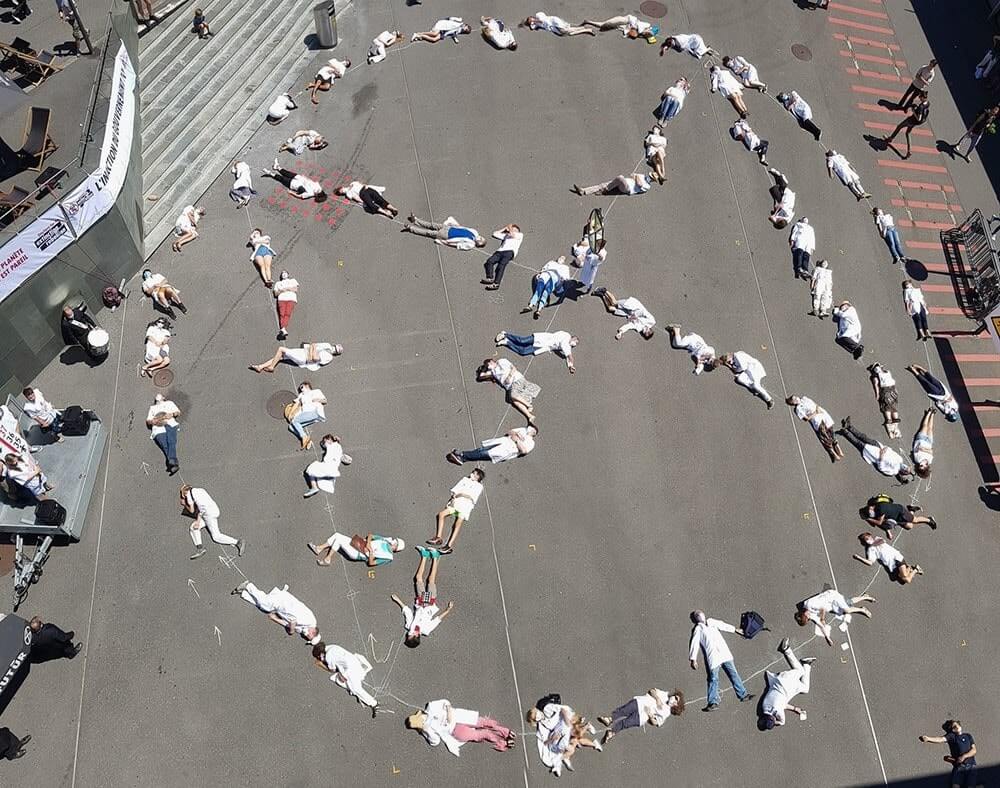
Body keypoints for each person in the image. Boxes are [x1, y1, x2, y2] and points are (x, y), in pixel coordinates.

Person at [688, 611, 754, 711]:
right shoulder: (698, 629)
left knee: (733, 674)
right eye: (697, 615)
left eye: (700, 614)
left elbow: (722, 625)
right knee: (713, 679)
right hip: (713, 656)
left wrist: (735, 629)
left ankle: (743, 695)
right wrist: (693, 659)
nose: (699, 616)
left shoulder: (711, 622)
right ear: (695, 619)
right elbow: (695, 643)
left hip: (724, 653)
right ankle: (713, 702)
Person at [391, 548, 455, 648]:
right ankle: (434, 558)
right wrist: (448, 610)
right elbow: (437, 619)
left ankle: (424, 556)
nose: (408, 634)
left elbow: (407, 612)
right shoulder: (426, 630)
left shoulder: (409, 626)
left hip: (421, 602)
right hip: (429, 603)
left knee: (418, 579)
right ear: (416, 636)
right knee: (431, 580)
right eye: (409, 636)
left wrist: (398, 600)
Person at [406, 699, 517, 755]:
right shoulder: (427, 729)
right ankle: (503, 743)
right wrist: (425, 729)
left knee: (485, 722)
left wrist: (449, 709)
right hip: (456, 731)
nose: (422, 720)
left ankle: (506, 732)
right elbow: (435, 742)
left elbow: (445, 701)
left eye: (420, 718)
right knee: (483, 733)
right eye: (420, 722)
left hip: (459, 716)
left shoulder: (431, 707)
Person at [232, 580, 321, 644]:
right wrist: (291, 631)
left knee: (263, 607)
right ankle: (248, 586)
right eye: (309, 637)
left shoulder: (304, 629)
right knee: (264, 604)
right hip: (284, 602)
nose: (306, 637)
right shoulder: (309, 620)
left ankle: (244, 594)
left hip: (281, 609)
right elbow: (293, 621)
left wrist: (275, 619)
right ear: (313, 633)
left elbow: (286, 624)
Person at [758, 639, 817, 730]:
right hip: (781, 684)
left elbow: (782, 722)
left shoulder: (778, 712)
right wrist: (795, 708)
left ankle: (786, 649)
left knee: (801, 671)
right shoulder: (764, 707)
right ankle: (807, 664)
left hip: (786, 684)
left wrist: (777, 723)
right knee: (805, 689)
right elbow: (782, 705)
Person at [837, 416, 914, 482]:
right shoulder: (900, 460)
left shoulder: (893, 472)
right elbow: (892, 452)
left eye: (906, 470)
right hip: (879, 447)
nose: (906, 467)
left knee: (859, 443)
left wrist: (881, 456)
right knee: (863, 437)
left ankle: (845, 432)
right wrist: (886, 448)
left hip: (875, 455)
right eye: (908, 467)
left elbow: (881, 468)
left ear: (903, 473)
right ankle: (849, 426)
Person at [180, 484, 245, 560]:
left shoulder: (189, 495)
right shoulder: (200, 490)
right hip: (214, 509)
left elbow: (192, 510)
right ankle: (200, 548)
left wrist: (185, 505)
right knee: (193, 528)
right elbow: (202, 504)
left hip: (208, 515)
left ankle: (238, 542)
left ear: (185, 492)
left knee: (216, 536)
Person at [428, 469, 485, 554]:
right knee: (441, 515)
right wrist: (452, 498)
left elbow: (473, 497)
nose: (472, 474)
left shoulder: (479, 486)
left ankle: (449, 546)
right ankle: (438, 537)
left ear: (478, 477)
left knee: (457, 524)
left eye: (474, 473)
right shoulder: (465, 479)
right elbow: (456, 489)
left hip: (466, 505)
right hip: (456, 503)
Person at [597, 689, 684, 744]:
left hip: (643, 716)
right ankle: (609, 719)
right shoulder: (665, 694)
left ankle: (612, 732)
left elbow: (656, 723)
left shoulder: (666, 712)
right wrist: (657, 699)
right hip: (640, 703)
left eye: (676, 702)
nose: (674, 700)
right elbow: (652, 691)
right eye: (675, 697)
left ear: (676, 707)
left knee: (626, 723)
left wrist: (650, 715)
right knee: (623, 710)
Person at [312, 642, 377, 716]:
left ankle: (373, 703)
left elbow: (332, 670)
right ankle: (354, 690)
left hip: (350, 671)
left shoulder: (328, 657)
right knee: (338, 679)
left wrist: (320, 664)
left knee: (356, 689)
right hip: (354, 661)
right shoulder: (331, 647)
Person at [794, 588, 876, 646]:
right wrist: (827, 637)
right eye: (808, 619)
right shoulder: (809, 614)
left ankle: (864, 603)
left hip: (832, 597)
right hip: (830, 604)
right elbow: (820, 624)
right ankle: (863, 602)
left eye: (807, 617)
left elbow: (822, 608)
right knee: (848, 604)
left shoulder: (809, 604)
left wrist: (822, 618)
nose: (809, 617)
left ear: (803, 612)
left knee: (847, 610)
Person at [476, 357, 540, 426]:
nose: (489, 368)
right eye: (488, 368)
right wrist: (482, 369)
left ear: (491, 361)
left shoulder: (501, 361)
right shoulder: (493, 372)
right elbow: (481, 376)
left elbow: (513, 368)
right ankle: (530, 416)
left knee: (513, 395)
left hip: (516, 379)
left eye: (488, 366)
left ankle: (529, 405)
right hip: (510, 387)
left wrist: (509, 377)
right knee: (515, 402)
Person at [919, 719, 977, 788]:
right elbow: (940, 739)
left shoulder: (968, 736)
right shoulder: (952, 736)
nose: (956, 727)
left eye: (956, 725)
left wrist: (964, 756)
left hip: (971, 766)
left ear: (960, 725)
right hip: (959, 766)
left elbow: (974, 750)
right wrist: (928, 739)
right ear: (952, 730)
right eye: (953, 727)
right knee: (955, 785)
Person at [786, 395, 843, 462]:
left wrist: (818, 408)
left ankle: (837, 447)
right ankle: (833, 453)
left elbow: (814, 403)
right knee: (825, 436)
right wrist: (816, 412)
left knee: (831, 430)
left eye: (795, 397)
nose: (796, 398)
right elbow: (806, 419)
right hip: (816, 420)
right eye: (794, 399)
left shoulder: (804, 398)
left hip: (822, 414)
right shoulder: (798, 409)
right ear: (793, 403)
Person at [853, 532, 923, 584]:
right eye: (866, 540)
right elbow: (870, 562)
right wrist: (859, 558)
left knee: (906, 578)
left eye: (869, 537)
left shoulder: (877, 539)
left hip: (897, 557)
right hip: (891, 565)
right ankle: (912, 569)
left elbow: (882, 541)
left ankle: (914, 569)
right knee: (904, 581)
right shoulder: (870, 550)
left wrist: (872, 545)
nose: (869, 539)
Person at [447, 426, 537, 465]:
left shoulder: (531, 443)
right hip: (503, 442)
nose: (529, 428)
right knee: (481, 450)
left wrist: (517, 440)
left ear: (534, 432)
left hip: (508, 450)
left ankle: (462, 456)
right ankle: (462, 457)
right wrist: (515, 435)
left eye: (531, 429)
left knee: (485, 454)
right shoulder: (523, 430)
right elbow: (510, 431)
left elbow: (524, 451)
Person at [495, 330, 577, 372]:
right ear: (573, 337)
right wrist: (570, 356)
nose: (574, 344)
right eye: (575, 341)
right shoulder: (566, 336)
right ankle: (505, 334)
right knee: (522, 341)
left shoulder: (568, 346)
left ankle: (507, 342)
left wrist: (570, 366)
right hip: (542, 338)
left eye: (575, 344)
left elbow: (567, 356)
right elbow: (565, 347)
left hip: (543, 347)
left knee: (523, 352)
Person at [862, 492, 936, 536]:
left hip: (901, 512)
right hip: (896, 518)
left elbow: (879, 522)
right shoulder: (877, 508)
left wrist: (868, 519)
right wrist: (888, 531)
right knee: (909, 527)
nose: (872, 515)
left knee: (915, 520)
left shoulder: (881, 509)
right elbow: (883, 523)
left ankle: (929, 520)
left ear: (871, 507)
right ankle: (912, 510)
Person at [309, 532, 404, 567]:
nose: (393, 541)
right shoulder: (385, 541)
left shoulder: (388, 557)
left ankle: (327, 558)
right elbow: (371, 535)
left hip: (358, 554)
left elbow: (371, 563)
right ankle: (320, 550)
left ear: (396, 547)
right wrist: (369, 543)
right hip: (360, 545)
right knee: (337, 535)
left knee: (338, 539)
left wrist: (370, 552)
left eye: (396, 542)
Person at [249, 342, 343, 373]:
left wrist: (312, 348)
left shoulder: (328, 357)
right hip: (302, 353)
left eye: (335, 350)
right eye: (334, 347)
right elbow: (313, 346)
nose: (333, 349)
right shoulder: (326, 345)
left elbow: (314, 358)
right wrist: (312, 348)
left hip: (303, 358)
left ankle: (271, 367)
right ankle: (260, 367)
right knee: (280, 357)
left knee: (281, 349)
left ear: (335, 353)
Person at [402, 215, 486, 249]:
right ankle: (416, 221)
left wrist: (444, 242)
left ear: (479, 244)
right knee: (431, 225)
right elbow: (463, 228)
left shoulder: (471, 244)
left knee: (429, 233)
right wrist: (454, 224)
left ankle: (411, 229)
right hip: (449, 228)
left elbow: (457, 245)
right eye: (481, 238)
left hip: (447, 235)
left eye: (480, 241)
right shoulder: (475, 233)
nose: (480, 239)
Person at [481, 224, 524, 290]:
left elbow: (512, 234)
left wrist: (509, 227)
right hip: (500, 251)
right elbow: (495, 234)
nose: (511, 230)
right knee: (490, 261)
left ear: (517, 230)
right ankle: (490, 278)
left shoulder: (519, 235)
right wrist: (504, 229)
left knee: (501, 266)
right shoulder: (506, 236)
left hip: (509, 252)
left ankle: (496, 284)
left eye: (514, 229)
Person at [287, 381, 326, 450]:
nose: (301, 389)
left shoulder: (316, 391)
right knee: (291, 427)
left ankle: (304, 437)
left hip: (314, 411)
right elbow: (296, 404)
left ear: (307, 386)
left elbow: (325, 401)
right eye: (300, 388)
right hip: (308, 414)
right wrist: (291, 414)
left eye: (302, 387)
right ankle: (307, 440)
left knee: (295, 421)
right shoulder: (301, 395)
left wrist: (317, 399)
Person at [146, 393, 180, 474]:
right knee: (165, 446)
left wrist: (171, 414)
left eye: (160, 394)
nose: (158, 395)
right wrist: (152, 421)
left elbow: (178, 412)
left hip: (170, 423)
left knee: (171, 441)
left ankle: (172, 462)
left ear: (163, 398)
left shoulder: (169, 403)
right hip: (158, 427)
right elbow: (148, 420)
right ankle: (173, 463)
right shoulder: (152, 408)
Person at [261, 161, 327, 201]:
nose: (317, 191)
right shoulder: (318, 187)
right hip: (299, 178)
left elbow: (301, 196)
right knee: (286, 173)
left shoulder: (310, 194)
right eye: (319, 190)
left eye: (317, 193)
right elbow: (311, 181)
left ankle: (269, 173)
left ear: (316, 196)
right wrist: (305, 178)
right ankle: (277, 167)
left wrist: (291, 193)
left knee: (281, 178)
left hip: (293, 184)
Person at [868, 362, 902, 438]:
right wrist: (896, 390)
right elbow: (892, 381)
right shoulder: (887, 372)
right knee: (894, 408)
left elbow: (876, 385)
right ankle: (896, 429)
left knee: (887, 409)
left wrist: (877, 394)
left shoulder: (875, 376)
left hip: (885, 391)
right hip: (892, 390)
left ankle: (891, 432)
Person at [333, 180, 397, 217]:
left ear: (342, 188)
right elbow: (362, 184)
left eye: (341, 190)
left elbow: (356, 198)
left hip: (363, 193)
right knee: (380, 200)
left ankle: (388, 211)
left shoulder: (348, 192)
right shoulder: (351, 186)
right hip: (366, 189)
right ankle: (391, 210)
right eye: (341, 191)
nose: (342, 190)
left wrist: (363, 202)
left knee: (374, 204)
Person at [582, 14, 658, 41]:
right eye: (648, 33)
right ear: (649, 30)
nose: (646, 34)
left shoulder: (641, 33)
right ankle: (587, 23)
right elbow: (639, 28)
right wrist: (642, 33)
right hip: (625, 20)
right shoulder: (646, 25)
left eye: (647, 34)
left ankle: (588, 22)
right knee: (607, 23)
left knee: (602, 26)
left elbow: (631, 34)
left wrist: (640, 34)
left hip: (620, 26)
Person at [572, 172, 652, 197]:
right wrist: (636, 176)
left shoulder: (647, 186)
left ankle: (605, 190)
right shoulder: (642, 176)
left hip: (627, 188)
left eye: (651, 177)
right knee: (602, 185)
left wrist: (636, 176)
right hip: (623, 182)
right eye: (650, 175)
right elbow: (632, 174)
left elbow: (639, 184)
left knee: (620, 177)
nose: (649, 176)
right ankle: (584, 191)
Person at [272, 270, 298, 341]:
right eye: (282, 274)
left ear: (288, 274)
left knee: (287, 314)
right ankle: (283, 329)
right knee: (282, 314)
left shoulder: (292, 280)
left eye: (285, 273)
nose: (284, 275)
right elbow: (276, 293)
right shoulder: (278, 283)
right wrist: (287, 289)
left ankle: (283, 328)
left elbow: (295, 289)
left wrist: (284, 289)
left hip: (291, 298)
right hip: (282, 299)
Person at [520, 13, 595, 36]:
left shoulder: (538, 15)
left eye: (531, 20)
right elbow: (532, 28)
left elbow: (542, 21)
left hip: (554, 22)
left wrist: (534, 20)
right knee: (569, 32)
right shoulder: (534, 25)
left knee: (568, 31)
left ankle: (586, 29)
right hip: (553, 27)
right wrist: (526, 24)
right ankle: (585, 28)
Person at [911, 408, 936, 479]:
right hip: (929, 442)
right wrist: (924, 450)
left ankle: (928, 413)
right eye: (922, 466)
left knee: (925, 426)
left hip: (921, 439)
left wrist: (922, 449)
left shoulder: (917, 459)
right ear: (926, 467)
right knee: (930, 428)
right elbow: (931, 451)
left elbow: (916, 448)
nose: (921, 465)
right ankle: (932, 414)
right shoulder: (929, 460)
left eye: (920, 466)